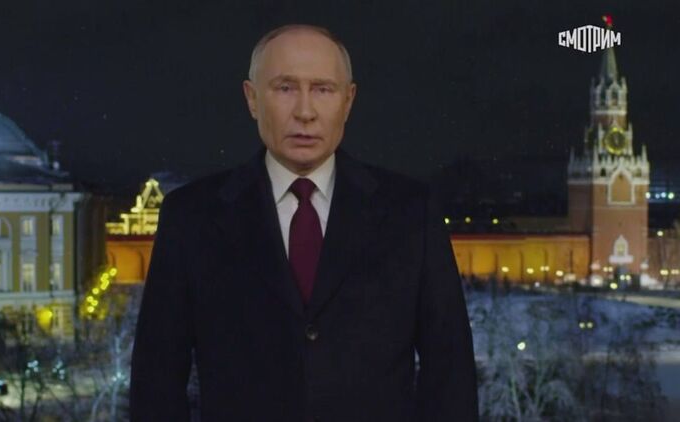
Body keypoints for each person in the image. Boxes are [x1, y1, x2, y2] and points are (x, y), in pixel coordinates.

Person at [129, 24, 478, 421]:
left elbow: (449, 371)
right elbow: (156, 380)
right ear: (252, 99)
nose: (305, 112)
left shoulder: (411, 212)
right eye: (285, 88)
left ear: (348, 101)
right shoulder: (191, 217)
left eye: (323, 90)